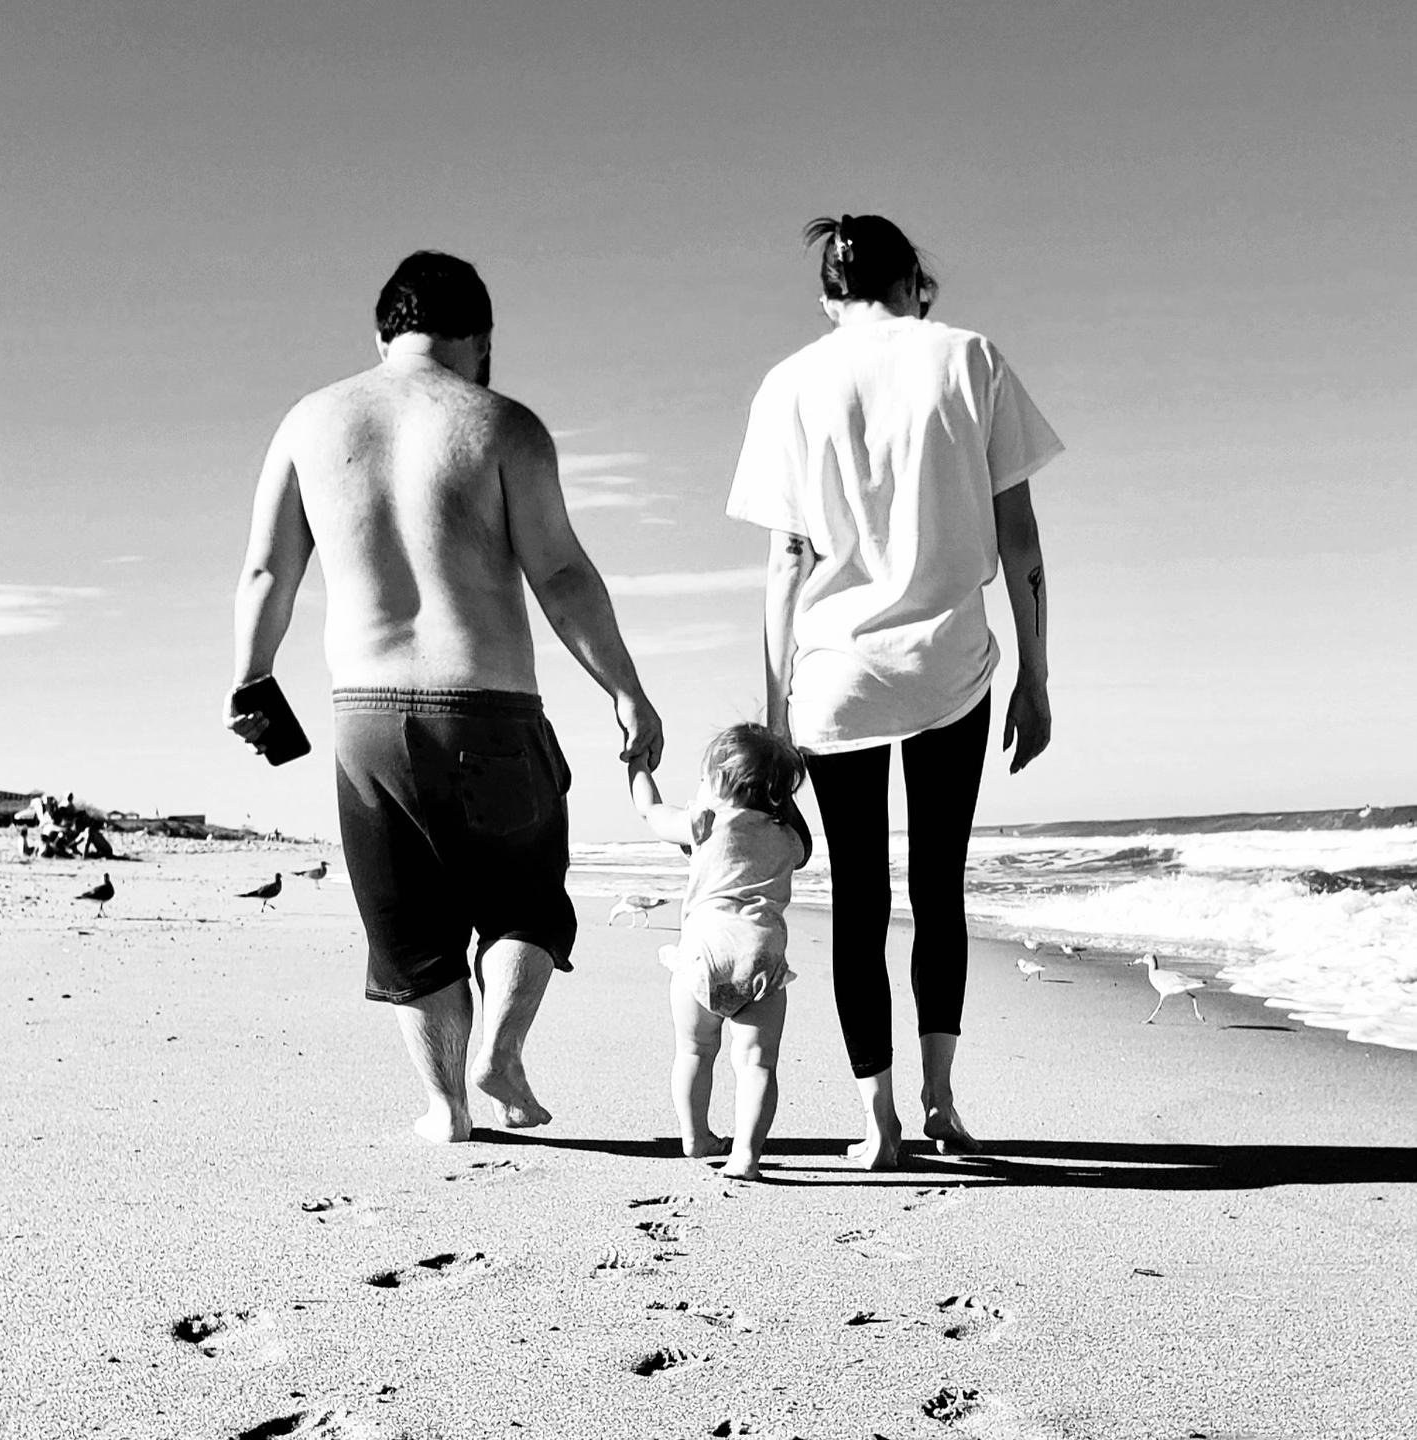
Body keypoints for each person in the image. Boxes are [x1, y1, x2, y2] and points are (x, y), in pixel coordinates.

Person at [225, 250, 663, 1142]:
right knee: (526, 905)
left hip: (367, 721)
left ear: (382, 333)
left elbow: (270, 568)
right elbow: (564, 574)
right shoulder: (504, 424)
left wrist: (252, 676)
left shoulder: (310, 422)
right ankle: (499, 1052)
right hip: (490, 707)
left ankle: (447, 1108)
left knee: (410, 933)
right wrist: (626, 690)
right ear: (480, 340)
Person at [727, 213, 1062, 1169]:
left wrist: (775, 716)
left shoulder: (790, 382)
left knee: (860, 899)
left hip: (833, 677)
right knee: (940, 889)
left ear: (828, 294)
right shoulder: (972, 359)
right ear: (915, 278)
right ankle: (942, 1104)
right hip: (950, 668)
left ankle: (875, 1119)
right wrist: (1037, 676)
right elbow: (1021, 541)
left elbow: (786, 562)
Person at [629, 723, 811, 1181]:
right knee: (757, 1062)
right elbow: (804, 843)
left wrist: (637, 766)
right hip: (761, 957)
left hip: (702, 956)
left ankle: (695, 1137)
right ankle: (746, 1156)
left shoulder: (702, 820)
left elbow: (650, 811)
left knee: (693, 1051)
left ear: (720, 782)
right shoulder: (786, 836)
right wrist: (780, 796)